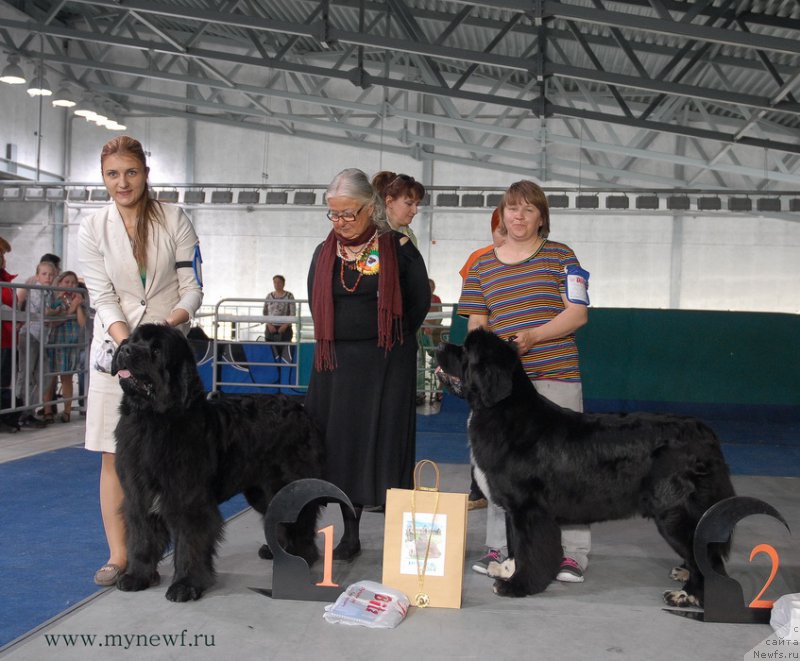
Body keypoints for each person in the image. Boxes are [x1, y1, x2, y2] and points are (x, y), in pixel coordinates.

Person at [79, 135, 203, 586]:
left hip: (168, 354)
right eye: (113, 174)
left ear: (146, 173)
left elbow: (193, 286)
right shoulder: (92, 227)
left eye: (131, 172)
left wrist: (170, 327)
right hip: (118, 353)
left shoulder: (175, 218)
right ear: (104, 178)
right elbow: (102, 295)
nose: (122, 182)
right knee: (116, 456)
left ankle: (177, 547)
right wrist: (129, 344)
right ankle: (121, 556)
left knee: (173, 452)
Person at [458, 180, 591, 583]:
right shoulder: (480, 264)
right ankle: (501, 547)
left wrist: (533, 337)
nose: (519, 216)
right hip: (502, 392)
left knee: (567, 469)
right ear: (502, 214)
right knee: (499, 469)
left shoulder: (561, 256)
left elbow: (577, 314)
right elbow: (476, 327)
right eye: (513, 208)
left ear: (541, 217)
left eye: (529, 209)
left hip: (555, 374)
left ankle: (572, 553)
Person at [305, 168, 430, 560]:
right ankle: (349, 531)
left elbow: (417, 302)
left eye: (349, 213)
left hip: (386, 364)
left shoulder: (399, 248)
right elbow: (314, 298)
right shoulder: (324, 252)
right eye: (334, 214)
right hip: (336, 366)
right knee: (338, 449)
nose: (341, 222)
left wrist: (388, 340)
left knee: (384, 446)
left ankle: (399, 541)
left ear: (370, 208)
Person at [457, 208, 508, 511]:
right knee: (480, 429)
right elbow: (477, 316)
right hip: (489, 365)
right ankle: (478, 490)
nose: (504, 237)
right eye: (499, 231)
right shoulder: (479, 260)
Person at [16, 260, 60, 427]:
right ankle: (20, 410)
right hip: (30, 335)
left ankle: (29, 409)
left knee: (44, 377)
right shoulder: (36, 290)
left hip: (42, 338)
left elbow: (50, 312)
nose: (48, 277)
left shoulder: (49, 292)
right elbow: (45, 311)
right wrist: (56, 311)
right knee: (25, 374)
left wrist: (55, 311)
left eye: (51, 274)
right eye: (44, 274)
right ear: (37, 276)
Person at [43, 271, 87, 423]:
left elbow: (82, 323)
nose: (70, 285)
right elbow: (53, 320)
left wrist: (78, 306)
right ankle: (48, 410)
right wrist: (70, 309)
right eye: (66, 282)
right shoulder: (53, 298)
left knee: (67, 377)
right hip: (55, 341)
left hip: (71, 342)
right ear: (60, 282)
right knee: (50, 377)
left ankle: (67, 411)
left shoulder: (78, 299)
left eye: (73, 283)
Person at [371, 171, 425, 248]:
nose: (415, 211)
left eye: (417, 204)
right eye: (409, 204)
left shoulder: (409, 235)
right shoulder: (372, 237)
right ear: (389, 202)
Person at [0, 237, 19, 431]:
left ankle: (5, 416)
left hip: (7, 337)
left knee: (4, 380)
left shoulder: (5, 280)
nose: (3, 258)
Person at [262, 274, 296, 362]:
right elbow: (264, 312)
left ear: (283, 284)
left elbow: (292, 313)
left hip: (285, 329)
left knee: (284, 353)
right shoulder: (269, 296)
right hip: (271, 329)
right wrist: (269, 324)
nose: (277, 284)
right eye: (275, 282)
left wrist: (285, 325)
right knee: (270, 353)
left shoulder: (289, 296)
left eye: (279, 282)